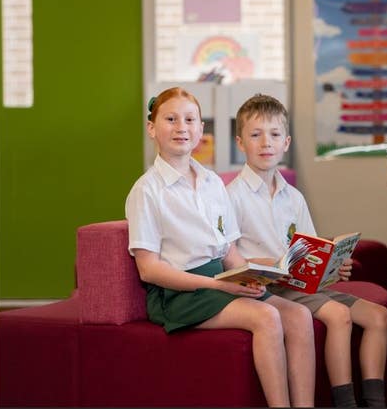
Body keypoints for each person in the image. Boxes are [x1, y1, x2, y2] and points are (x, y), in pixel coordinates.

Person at [125, 86, 315, 407]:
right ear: (152, 128)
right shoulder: (146, 191)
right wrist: (218, 285)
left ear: (201, 130)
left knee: (298, 315)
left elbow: (228, 252)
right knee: (267, 317)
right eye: (170, 119)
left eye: (190, 119)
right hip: (181, 294)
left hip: (219, 283)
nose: (181, 127)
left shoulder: (213, 182)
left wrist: (251, 275)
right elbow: (149, 268)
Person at [226, 94, 387, 408]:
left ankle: (375, 401)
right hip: (268, 287)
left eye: (274, 135)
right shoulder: (232, 196)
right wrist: (273, 263)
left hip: (299, 284)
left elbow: (309, 249)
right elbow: (229, 256)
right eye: (255, 135)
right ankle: (345, 402)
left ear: (286, 142)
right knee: (339, 315)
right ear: (240, 142)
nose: (266, 143)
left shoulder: (293, 197)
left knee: (378, 316)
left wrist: (331, 267)